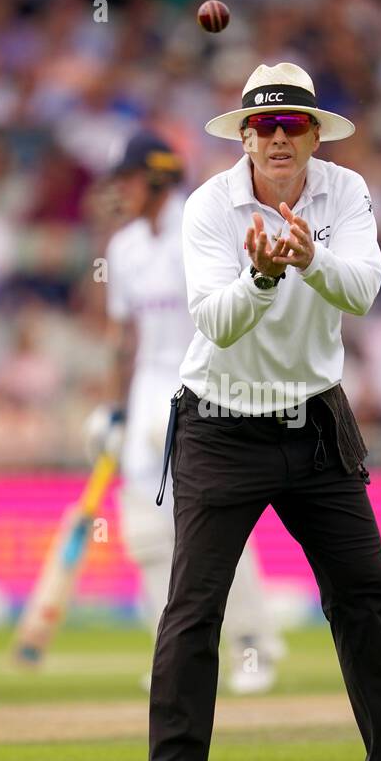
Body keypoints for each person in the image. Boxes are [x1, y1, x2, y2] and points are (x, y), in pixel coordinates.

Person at [139, 63, 381, 761]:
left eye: (293, 124)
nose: (278, 138)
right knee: (196, 604)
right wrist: (263, 277)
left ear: (317, 134)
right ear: (245, 137)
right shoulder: (208, 206)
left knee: (363, 594)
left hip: (315, 420)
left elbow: (361, 290)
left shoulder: (347, 191)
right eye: (264, 126)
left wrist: (308, 257)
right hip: (222, 422)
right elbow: (215, 323)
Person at [93, 131, 282, 695]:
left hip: (202, 381)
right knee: (148, 531)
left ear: (154, 178)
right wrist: (113, 409)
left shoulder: (195, 224)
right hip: (149, 392)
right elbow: (122, 336)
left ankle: (254, 644)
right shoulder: (124, 247)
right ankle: (172, 651)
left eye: (127, 179)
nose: (119, 191)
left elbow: (232, 314)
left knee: (214, 521)